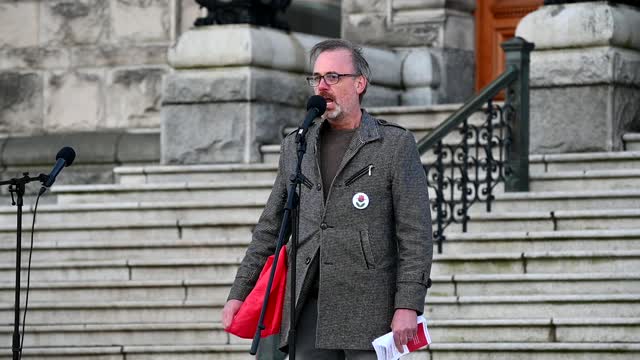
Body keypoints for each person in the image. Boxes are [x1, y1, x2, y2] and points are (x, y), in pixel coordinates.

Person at [222, 39, 433, 359]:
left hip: (370, 309)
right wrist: (241, 291)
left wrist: (408, 304)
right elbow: (270, 227)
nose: (321, 86)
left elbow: (415, 233)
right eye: (316, 78)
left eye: (333, 77)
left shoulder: (394, 144)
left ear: (360, 83)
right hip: (308, 307)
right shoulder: (297, 146)